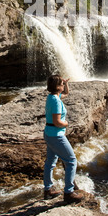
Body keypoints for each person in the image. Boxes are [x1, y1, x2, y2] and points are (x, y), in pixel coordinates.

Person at [43, 74, 83, 203]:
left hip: (49, 133)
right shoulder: (55, 101)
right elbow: (57, 121)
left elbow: (66, 93)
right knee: (71, 161)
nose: (63, 86)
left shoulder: (52, 97)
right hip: (56, 135)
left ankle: (48, 190)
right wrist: (66, 123)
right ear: (57, 86)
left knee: (50, 161)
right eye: (61, 83)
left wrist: (65, 83)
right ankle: (69, 192)